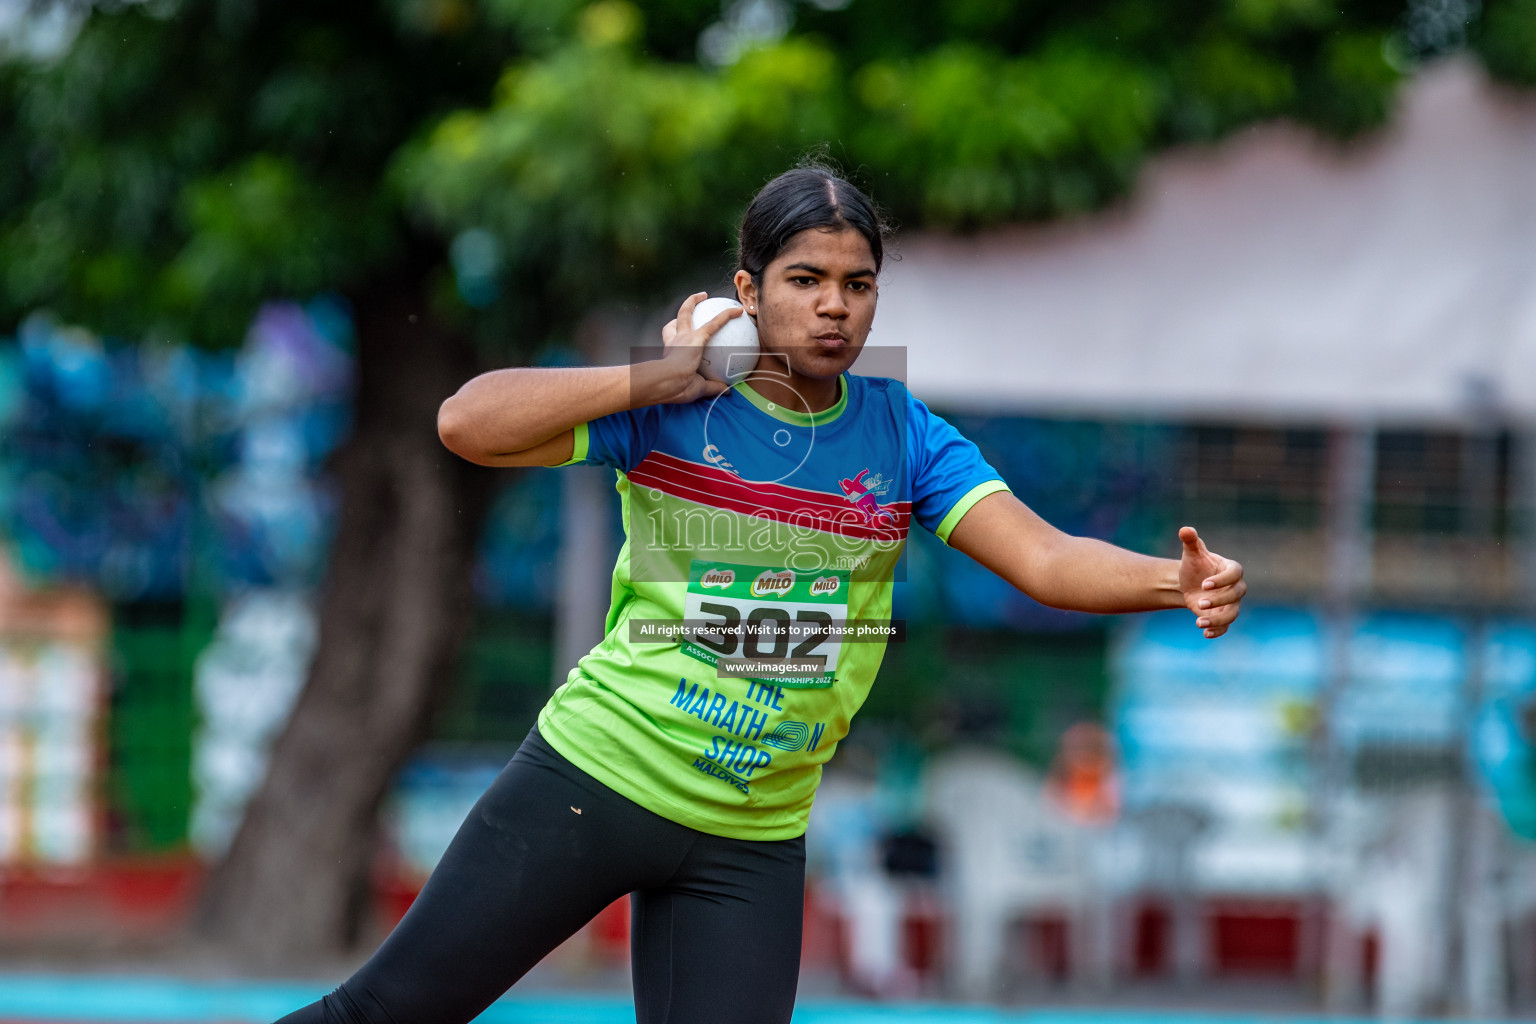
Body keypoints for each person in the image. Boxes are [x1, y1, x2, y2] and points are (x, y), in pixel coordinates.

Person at [275, 164, 1245, 1024]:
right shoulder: (668, 410)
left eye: (857, 285)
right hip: (596, 780)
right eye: (806, 280)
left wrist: (1173, 580)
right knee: (387, 1012)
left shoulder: (904, 436)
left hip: (753, 836)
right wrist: (661, 373)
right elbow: (465, 423)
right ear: (748, 291)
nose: (836, 308)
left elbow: (1045, 560)